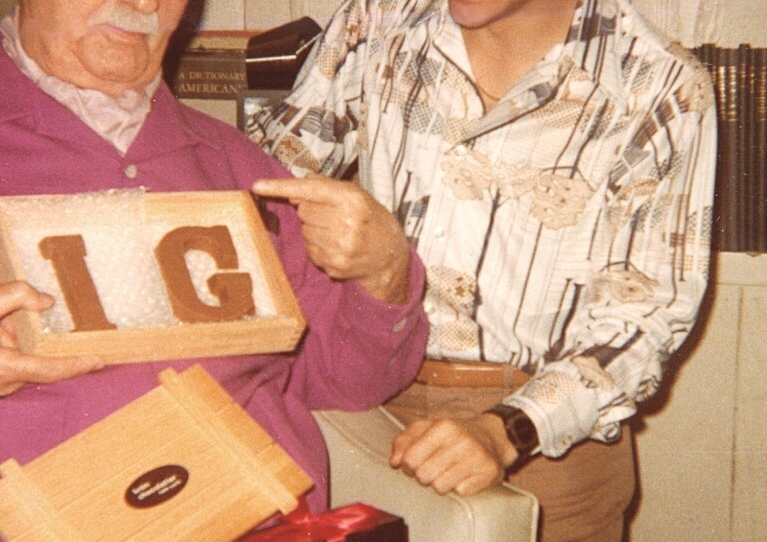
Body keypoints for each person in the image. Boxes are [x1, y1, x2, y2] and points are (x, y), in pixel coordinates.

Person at [0, 1, 430, 540]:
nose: (143, 2)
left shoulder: (237, 163)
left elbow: (350, 381)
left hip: (258, 523)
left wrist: (385, 270)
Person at [248, 0, 717, 540]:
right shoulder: (377, 20)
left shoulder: (660, 83)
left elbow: (644, 317)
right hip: (361, 406)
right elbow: (263, 184)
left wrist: (505, 431)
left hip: (541, 448)